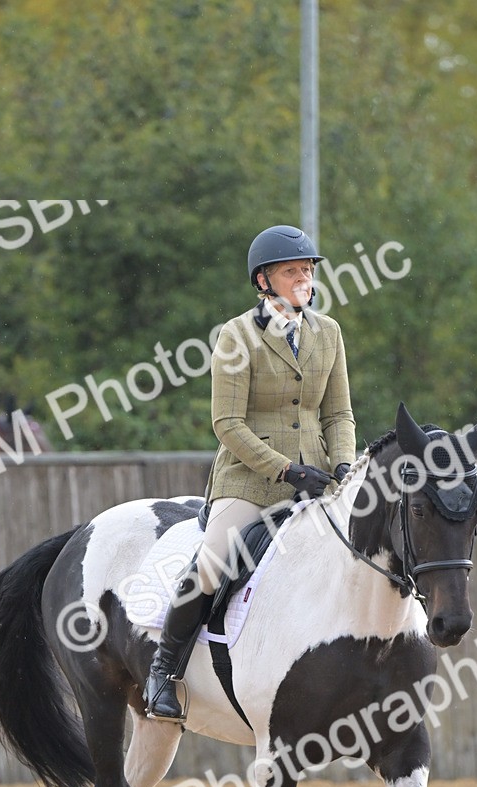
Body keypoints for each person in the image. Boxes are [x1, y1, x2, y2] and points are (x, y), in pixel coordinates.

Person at [144, 224, 357, 721]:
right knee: (213, 565)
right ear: (263, 281)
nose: (303, 278)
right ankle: (163, 669)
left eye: (307, 270)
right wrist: (285, 470)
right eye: (291, 271)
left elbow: (338, 414)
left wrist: (343, 462)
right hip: (250, 481)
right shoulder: (238, 337)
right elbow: (227, 424)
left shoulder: (328, 332)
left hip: (320, 479)